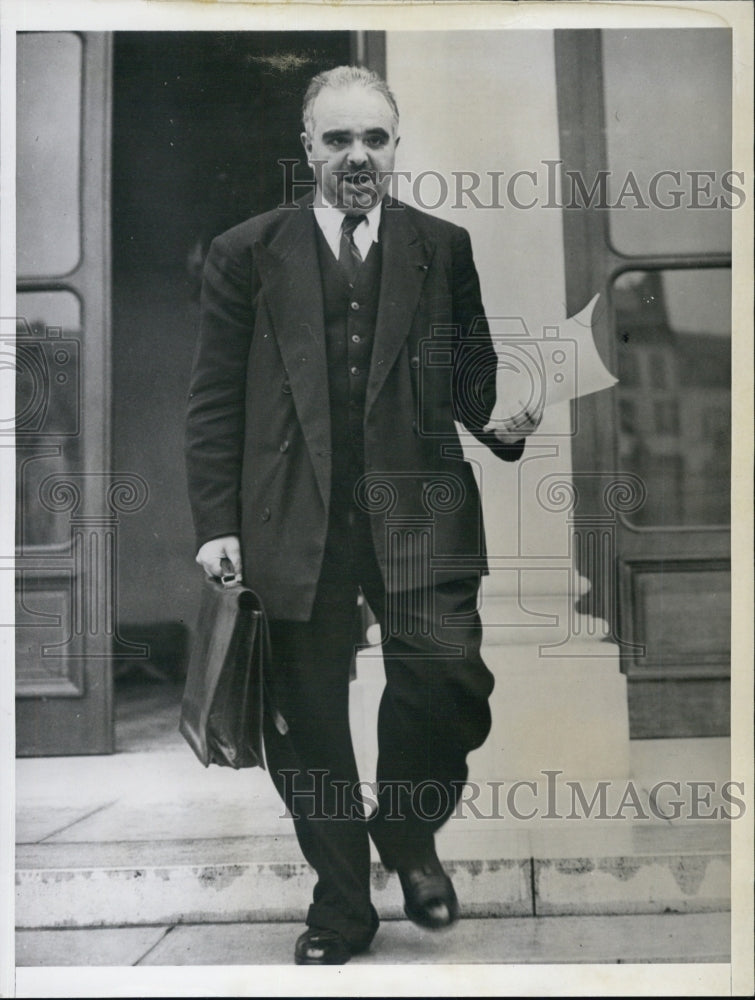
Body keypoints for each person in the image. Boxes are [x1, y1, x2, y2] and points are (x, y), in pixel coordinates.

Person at [185, 65, 541, 965]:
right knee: (307, 720)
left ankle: (408, 833)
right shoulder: (245, 251)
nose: (356, 157)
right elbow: (214, 400)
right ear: (306, 147)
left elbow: (471, 384)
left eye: (373, 140)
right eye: (337, 139)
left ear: (394, 147)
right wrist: (216, 522)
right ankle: (341, 907)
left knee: (449, 677)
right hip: (289, 519)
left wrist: (499, 421)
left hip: (419, 511)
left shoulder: (440, 246)